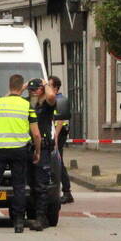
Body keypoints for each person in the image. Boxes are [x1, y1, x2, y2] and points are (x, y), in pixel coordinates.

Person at [0, 74, 40, 234]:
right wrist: (37, 151)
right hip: (20, 150)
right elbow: (36, 134)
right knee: (19, 186)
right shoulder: (26, 105)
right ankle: (19, 222)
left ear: (9, 86)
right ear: (22, 87)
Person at [27, 78, 58, 231]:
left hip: (43, 148)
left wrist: (46, 84)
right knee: (31, 184)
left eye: (35, 89)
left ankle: (41, 218)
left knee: (41, 184)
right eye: (31, 90)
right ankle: (33, 216)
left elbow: (52, 96)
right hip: (28, 147)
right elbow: (9, 99)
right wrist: (24, 86)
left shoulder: (47, 105)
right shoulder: (27, 104)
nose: (33, 92)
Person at [50, 76, 73, 204]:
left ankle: (67, 191)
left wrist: (56, 137)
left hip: (59, 134)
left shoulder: (59, 100)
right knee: (58, 162)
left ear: (56, 88)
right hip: (56, 134)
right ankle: (65, 191)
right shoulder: (54, 99)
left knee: (58, 162)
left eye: (50, 85)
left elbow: (59, 120)